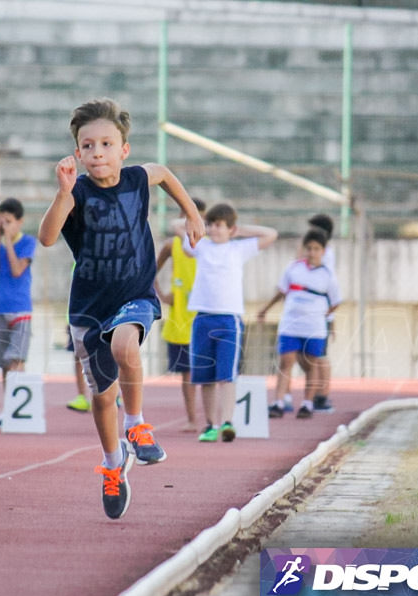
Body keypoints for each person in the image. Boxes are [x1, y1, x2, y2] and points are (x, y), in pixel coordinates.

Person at [39, 97, 205, 520]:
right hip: (89, 308)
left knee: (126, 349)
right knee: (100, 397)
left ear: (124, 150)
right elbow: (46, 237)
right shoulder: (75, 191)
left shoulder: (135, 179)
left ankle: (137, 422)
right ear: (78, 152)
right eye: (88, 145)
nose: (98, 153)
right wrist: (62, 193)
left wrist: (191, 214)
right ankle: (114, 464)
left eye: (107, 144)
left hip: (134, 293)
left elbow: (164, 174)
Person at [185, 203, 278, 442]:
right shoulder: (201, 246)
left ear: (230, 229)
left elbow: (271, 234)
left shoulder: (239, 249)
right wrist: (200, 225)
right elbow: (178, 227)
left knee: (226, 375)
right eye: (211, 225)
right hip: (203, 318)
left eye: (219, 226)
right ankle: (210, 425)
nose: (214, 230)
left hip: (229, 320)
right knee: (204, 377)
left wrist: (238, 230)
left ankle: (227, 421)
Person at [256, 228, 341, 419]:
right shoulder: (293, 268)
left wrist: (322, 316)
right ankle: (278, 401)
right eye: (309, 248)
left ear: (323, 251)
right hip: (290, 324)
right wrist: (265, 309)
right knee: (286, 361)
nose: (312, 252)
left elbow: (336, 302)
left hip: (314, 327)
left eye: (316, 249)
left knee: (311, 364)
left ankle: (307, 403)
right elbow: (281, 292)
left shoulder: (328, 275)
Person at [155, 197, 206, 432]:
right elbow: (150, 270)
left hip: (206, 313)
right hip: (181, 316)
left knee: (209, 370)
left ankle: (214, 418)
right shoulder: (172, 245)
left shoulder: (210, 245)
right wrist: (162, 295)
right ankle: (192, 418)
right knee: (187, 371)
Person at [0, 197, 36, 428]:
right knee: (3, 364)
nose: (4, 224)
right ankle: (9, 407)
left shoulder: (27, 243)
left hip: (20, 308)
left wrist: (8, 239)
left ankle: (19, 409)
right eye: (1, 220)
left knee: (16, 359)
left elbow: (17, 270)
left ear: (19, 221)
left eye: (8, 221)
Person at [302, 213, 336, 413]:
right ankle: (315, 393)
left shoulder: (324, 256)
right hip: (313, 311)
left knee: (319, 356)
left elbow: (327, 287)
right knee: (308, 356)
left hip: (320, 313)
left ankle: (322, 395)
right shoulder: (317, 254)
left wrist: (330, 316)